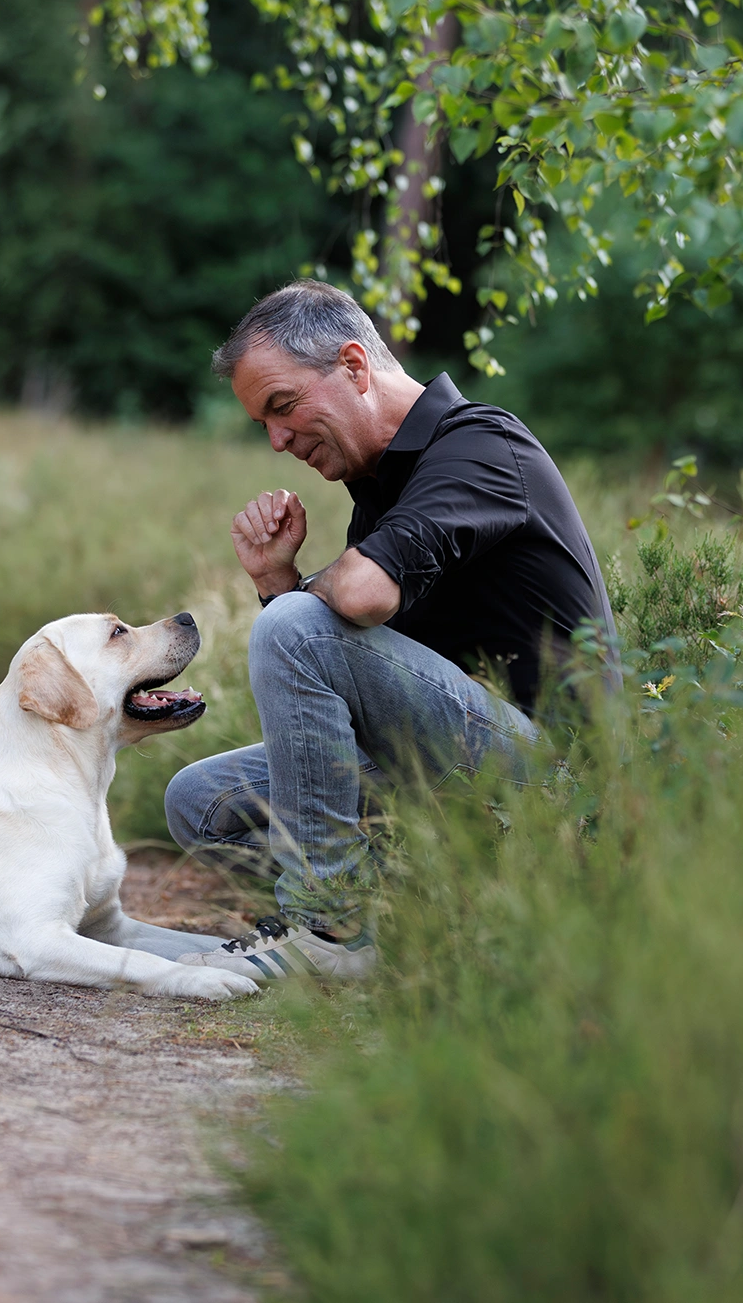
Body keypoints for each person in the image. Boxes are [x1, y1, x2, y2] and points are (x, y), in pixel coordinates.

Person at [168, 280, 615, 983]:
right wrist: (275, 583)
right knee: (199, 803)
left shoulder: (480, 443)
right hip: (450, 759)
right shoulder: (379, 491)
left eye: (282, 408)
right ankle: (414, 928)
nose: (279, 442)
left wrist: (297, 597)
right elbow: (367, 668)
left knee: (297, 625)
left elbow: (361, 596)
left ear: (353, 365)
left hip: (560, 779)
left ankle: (331, 924)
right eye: (264, 425)